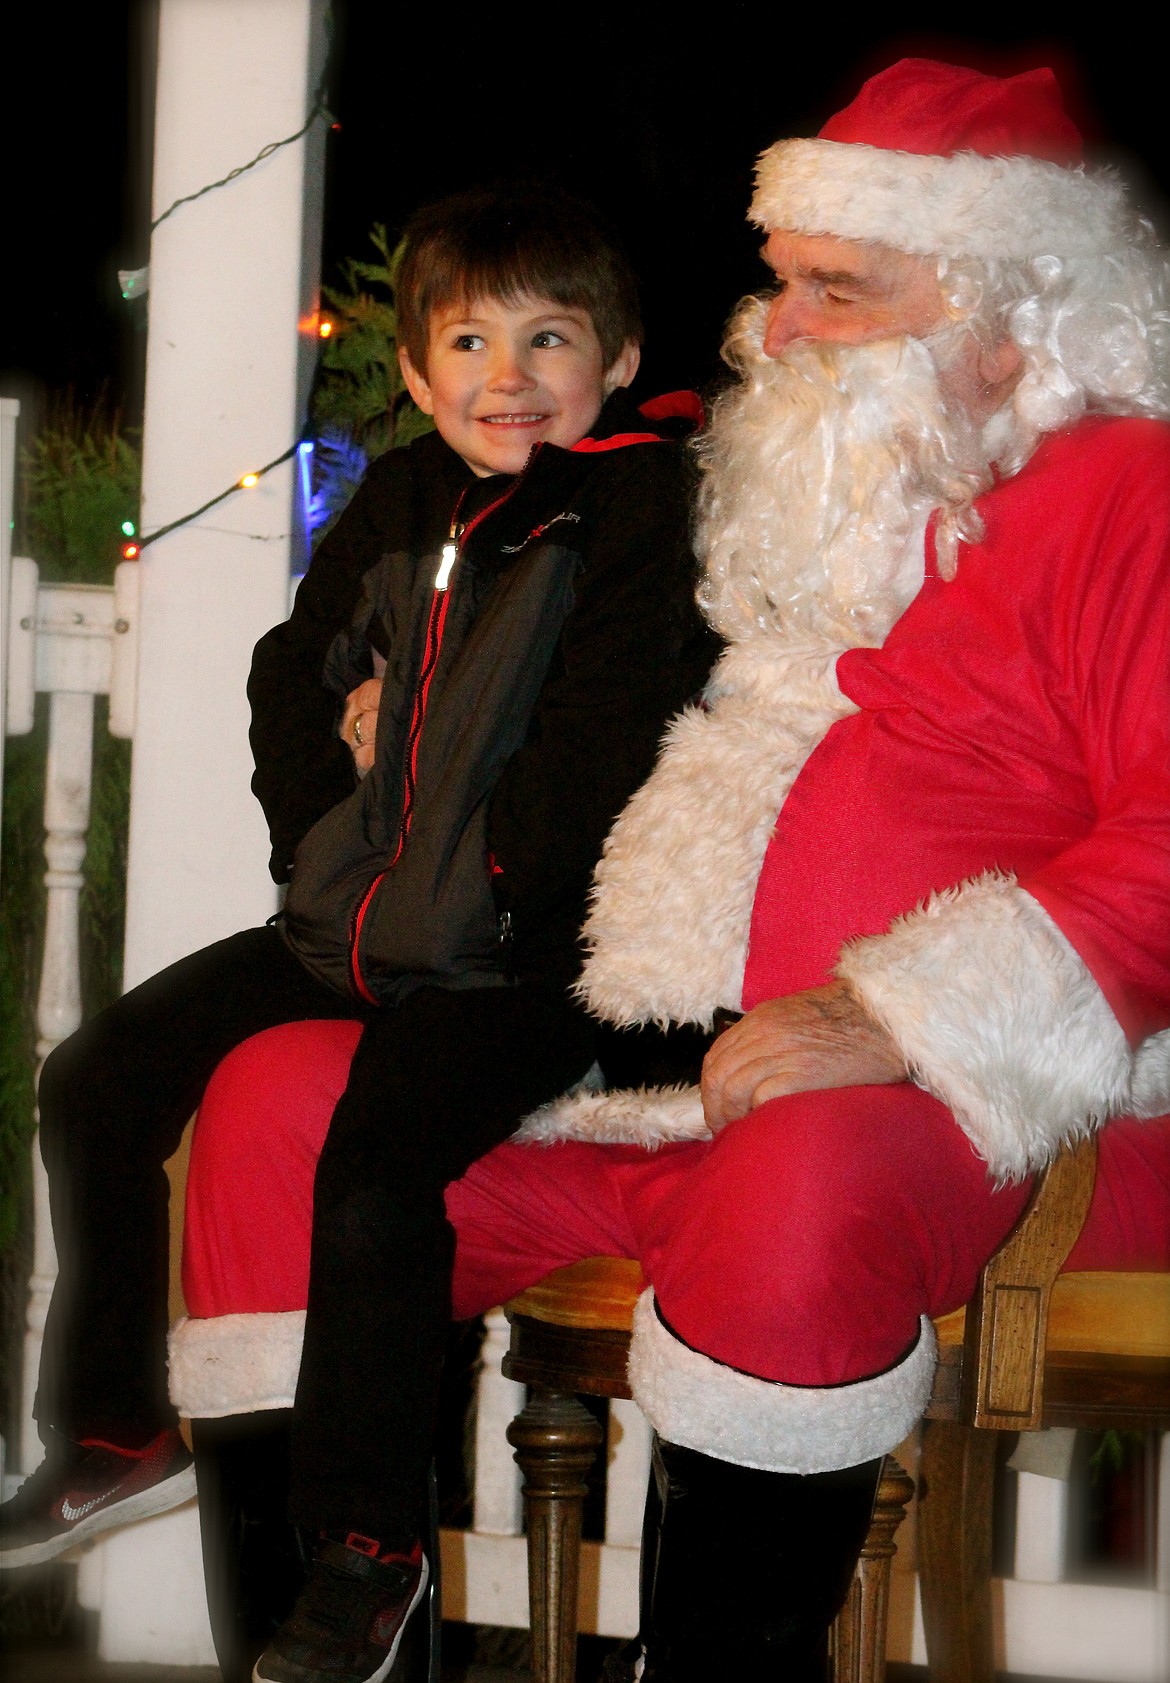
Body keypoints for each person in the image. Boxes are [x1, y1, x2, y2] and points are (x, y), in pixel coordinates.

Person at [173, 58, 1170, 1680]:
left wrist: (899, 1016)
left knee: (797, 1187)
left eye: (838, 292)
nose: (777, 329)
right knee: (278, 1104)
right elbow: (575, 658)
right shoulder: (783, 491)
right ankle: (334, 1632)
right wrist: (400, 698)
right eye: (781, 285)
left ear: (1018, 311)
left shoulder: (1127, 496)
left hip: (992, 1110)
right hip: (641, 1068)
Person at [0, 185, 717, 1683]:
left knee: (380, 1162)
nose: (507, 372)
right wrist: (327, 833)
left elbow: (603, 737)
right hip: (358, 920)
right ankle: (119, 1426)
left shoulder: (638, 509)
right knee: (100, 1078)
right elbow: (289, 675)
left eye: (550, 336)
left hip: (528, 957)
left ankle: (365, 1550)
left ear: (620, 357)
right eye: (468, 338)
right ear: (413, 369)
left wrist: (497, 867)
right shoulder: (400, 500)